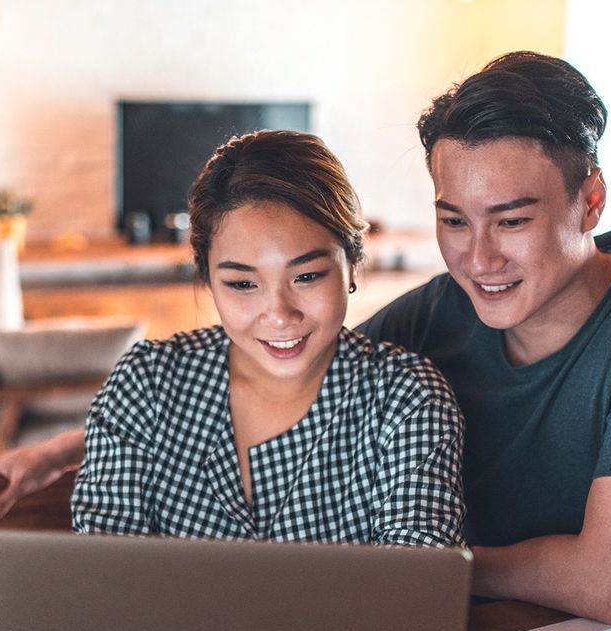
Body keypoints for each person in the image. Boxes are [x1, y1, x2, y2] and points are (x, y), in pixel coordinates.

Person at [0, 53, 611, 623]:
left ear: (590, 199)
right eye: (453, 220)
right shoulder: (445, 310)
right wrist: (65, 447)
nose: (479, 258)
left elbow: (607, 585)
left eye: (511, 220)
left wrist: (426, 570)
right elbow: (282, 361)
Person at [69, 130, 465, 546]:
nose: (278, 315)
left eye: (307, 276)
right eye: (242, 284)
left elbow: (418, 584)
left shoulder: (406, 399)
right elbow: (106, 576)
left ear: (352, 263)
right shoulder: (145, 384)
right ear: (207, 279)